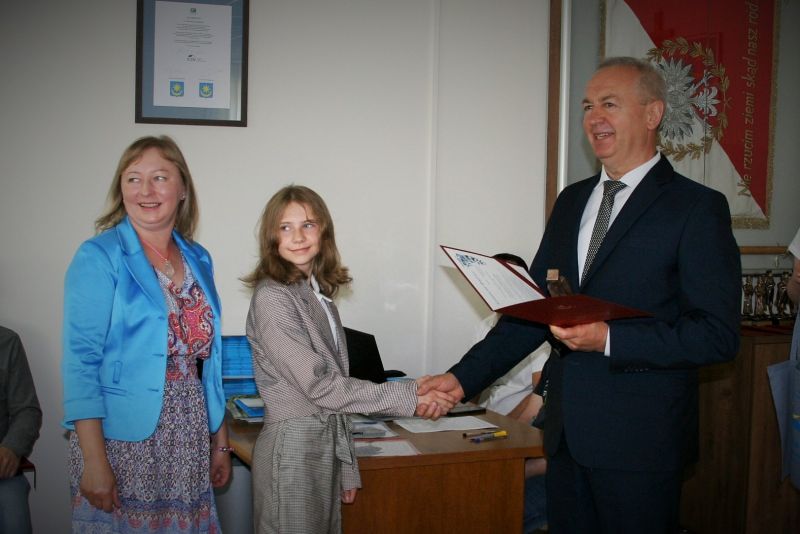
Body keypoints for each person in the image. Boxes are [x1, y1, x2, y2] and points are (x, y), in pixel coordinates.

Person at [419, 57, 741, 533]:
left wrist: (609, 339)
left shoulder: (696, 208)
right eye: (588, 106)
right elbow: (531, 313)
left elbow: (716, 335)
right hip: (566, 439)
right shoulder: (572, 200)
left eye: (610, 104)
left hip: (641, 446)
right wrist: (461, 380)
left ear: (652, 114)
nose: (594, 118)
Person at [243, 185, 456, 534]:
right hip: (293, 449)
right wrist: (410, 396)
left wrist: (346, 468)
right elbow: (321, 386)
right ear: (271, 237)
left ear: (324, 231)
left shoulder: (318, 296)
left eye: (308, 225)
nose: (298, 236)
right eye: (285, 227)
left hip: (323, 446)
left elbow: (335, 399)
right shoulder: (273, 297)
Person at [62, 135, 231, 533]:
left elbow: (207, 363)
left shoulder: (198, 257)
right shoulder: (99, 256)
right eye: (133, 179)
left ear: (182, 188)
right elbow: (80, 363)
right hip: (122, 441)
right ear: (120, 189)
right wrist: (94, 460)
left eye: (159, 177)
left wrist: (220, 439)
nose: (146, 191)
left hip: (188, 437)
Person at [0, 326, 42, 534]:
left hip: (2, 475)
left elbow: (27, 410)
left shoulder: (7, 341)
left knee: (14, 521)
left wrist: (12, 448)